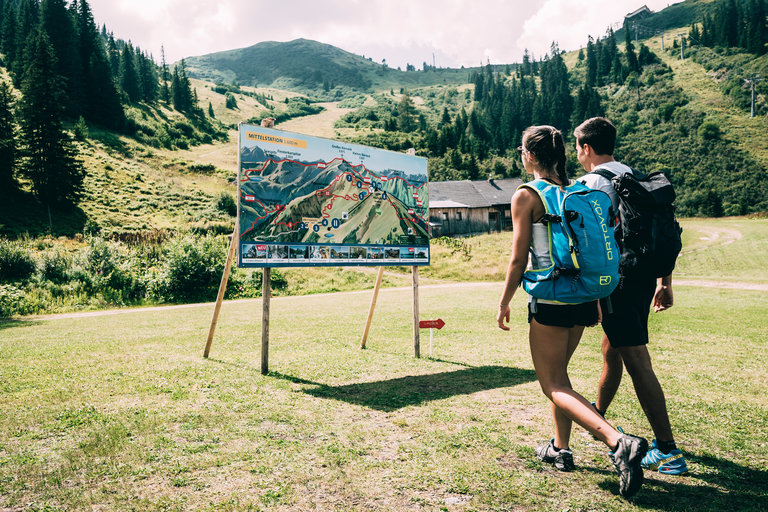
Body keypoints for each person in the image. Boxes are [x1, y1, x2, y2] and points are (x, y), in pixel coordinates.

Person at [497, 125, 648, 498]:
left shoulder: (528, 194)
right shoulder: (577, 190)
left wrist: (504, 301)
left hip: (551, 298)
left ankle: (618, 442)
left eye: (522, 151)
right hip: (584, 297)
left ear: (530, 155)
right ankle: (560, 449)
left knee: (552, 384)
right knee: (561, 377)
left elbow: (518, 259)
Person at [574, 117, 688, 475]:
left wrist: (591, 291)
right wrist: (664, 281)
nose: (577, 155)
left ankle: (667, 450)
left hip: (616, 281)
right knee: (613, 347)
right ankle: (598, 417)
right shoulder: (634, 176)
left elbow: (587, 241)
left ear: (587, 148)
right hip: (642, 278)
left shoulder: (592, 183)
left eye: (578, 148)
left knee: (636, 358)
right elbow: (662, 233)